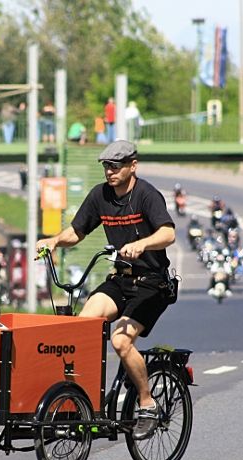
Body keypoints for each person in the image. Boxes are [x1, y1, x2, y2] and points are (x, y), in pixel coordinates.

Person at [35, 140, 176, 440]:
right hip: (120, 279)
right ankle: (82, 405)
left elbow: (168, 232)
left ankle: (147, 403)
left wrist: (143, 243)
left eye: (115, 166)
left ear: (132, 166)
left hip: (152, 283)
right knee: (83, 329)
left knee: (120, 341)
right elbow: (77, 231)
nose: (110, 172)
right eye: (106, 166)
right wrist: (54, 241)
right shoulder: (100, 195)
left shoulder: (146, 195)